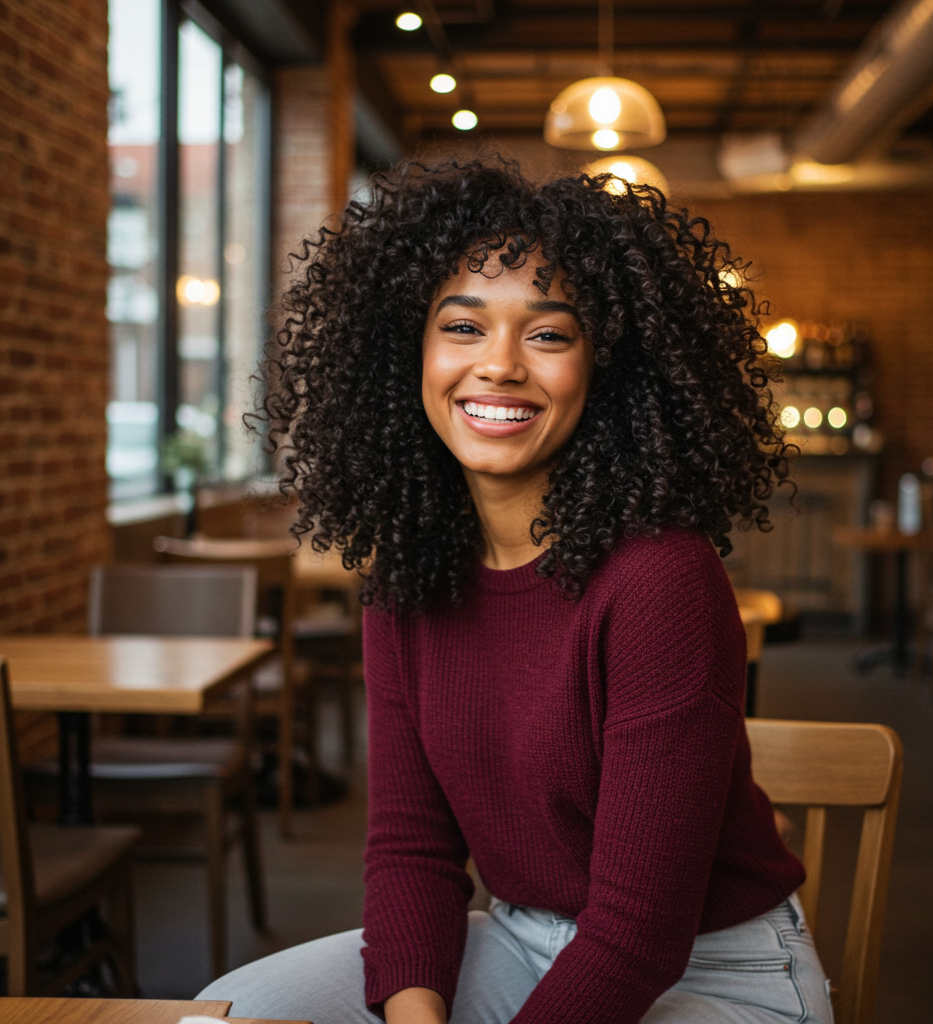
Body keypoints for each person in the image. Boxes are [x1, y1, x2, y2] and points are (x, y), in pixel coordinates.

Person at [199, 158, 832, 1024]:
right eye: (462, 326)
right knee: (233, 1009)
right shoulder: (408, 576)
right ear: (408, 352)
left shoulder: (661, 580)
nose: (496, 366)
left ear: (607, 369)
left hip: (713, 973)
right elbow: (412, 851)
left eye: (548, 334)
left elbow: (639, 934)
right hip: (518, 939)